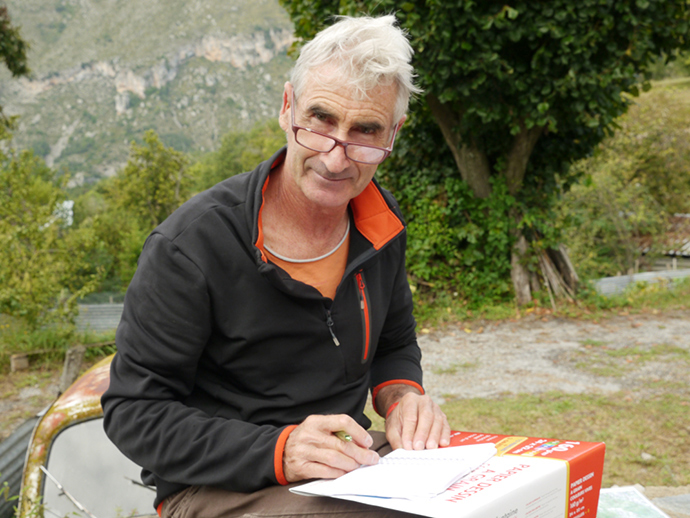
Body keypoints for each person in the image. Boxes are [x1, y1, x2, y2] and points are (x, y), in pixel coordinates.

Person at [102, 14, 450, 518]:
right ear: (287, 108)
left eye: (365, 132)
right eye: (321, 121)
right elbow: (133, 413)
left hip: (347, 466)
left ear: (393, 133)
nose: (336, 158)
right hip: (214, 486)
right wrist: (280, 450)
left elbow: (394, 345)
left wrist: (402, 399)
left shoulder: (381, 222)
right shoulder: (191, 246)